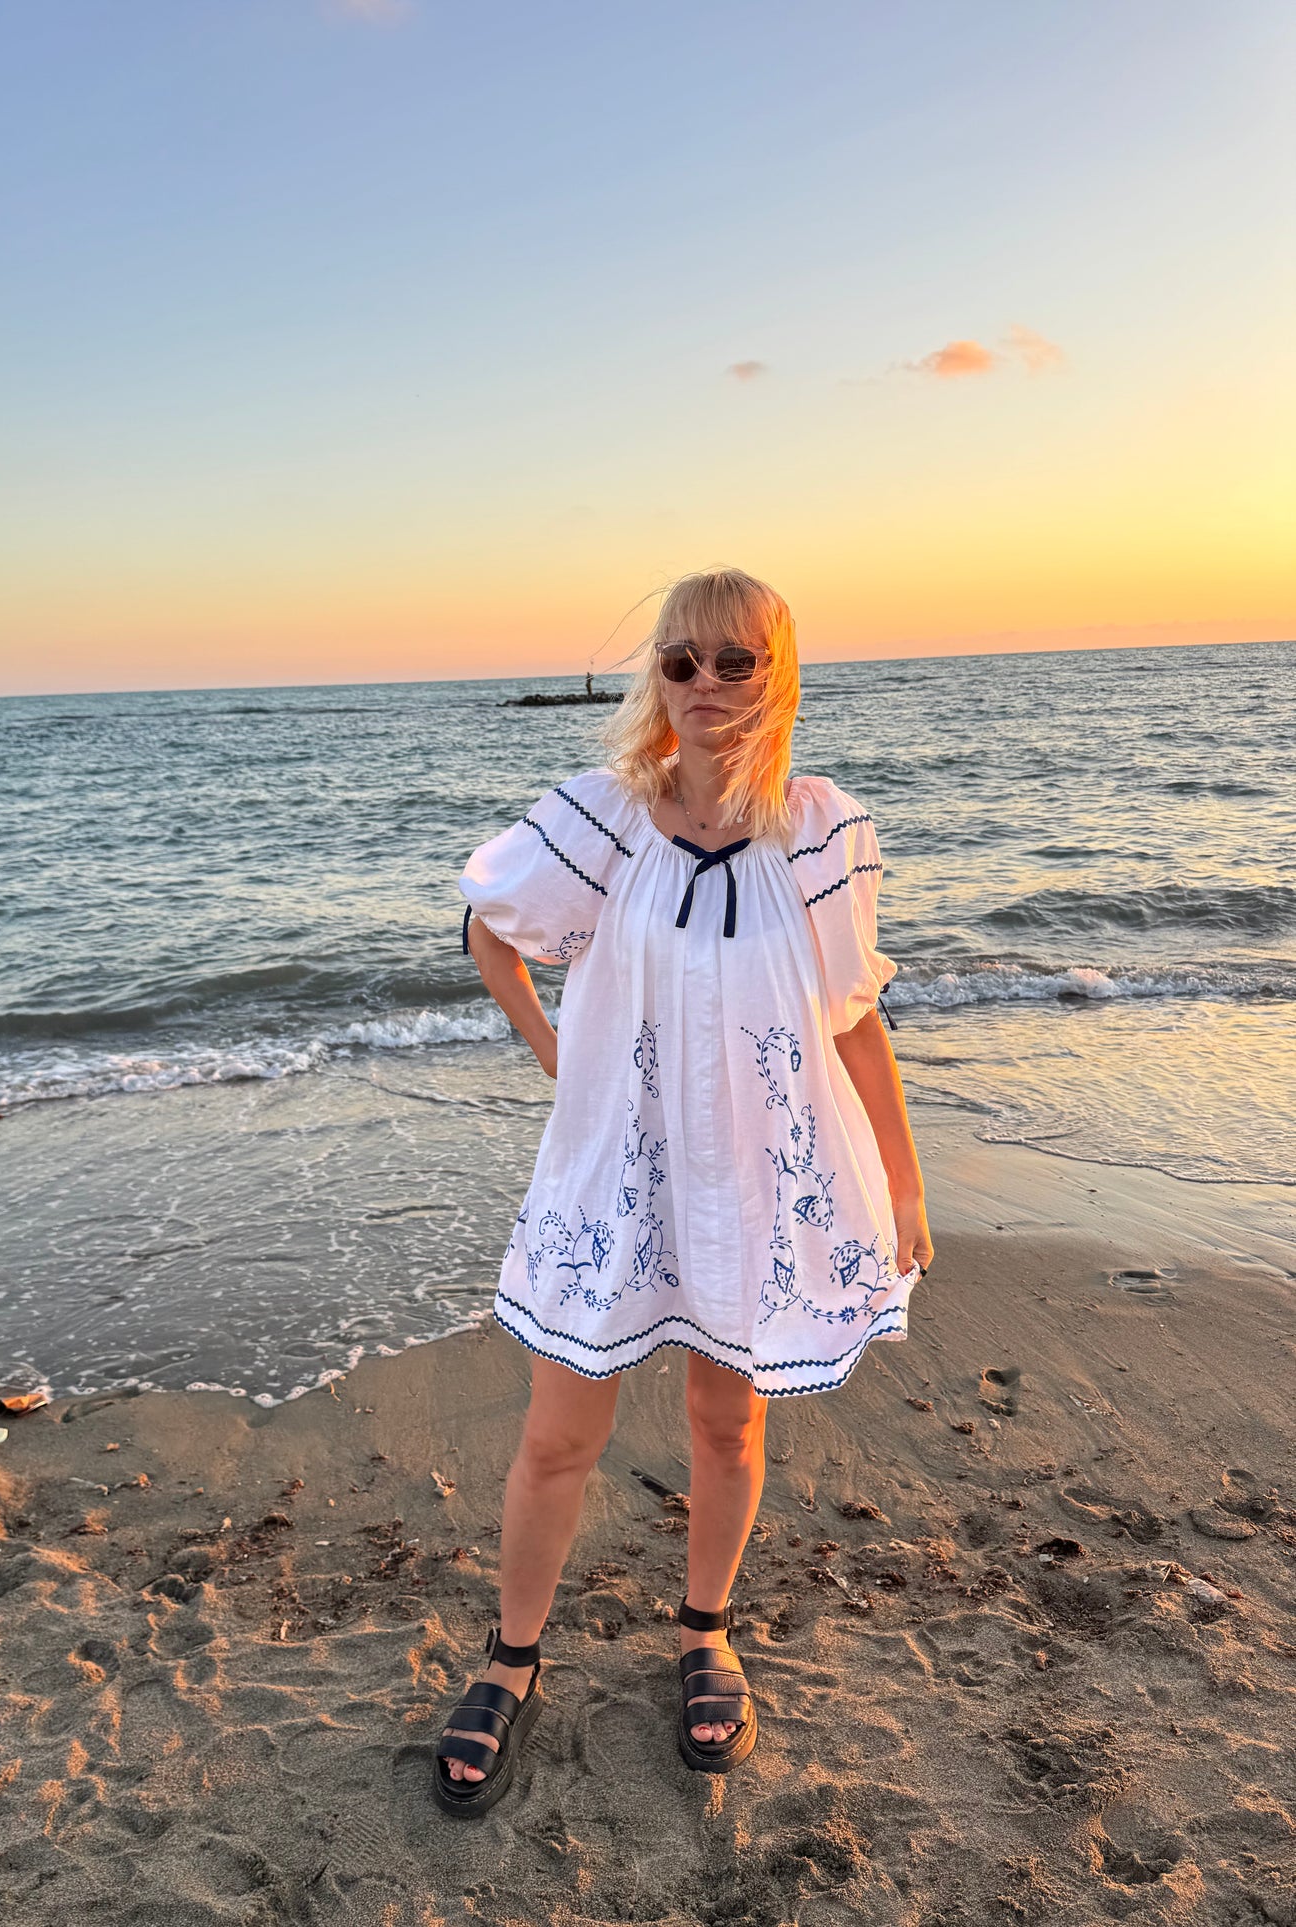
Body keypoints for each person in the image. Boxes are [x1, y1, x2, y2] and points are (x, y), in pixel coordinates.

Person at [434, 567, 933, 1816]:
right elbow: (489, 929)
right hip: (618, 1177)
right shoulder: (600, 818)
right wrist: (562, 1063)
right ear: (652, 675)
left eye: (733, 660)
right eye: (679, 661)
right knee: (560, 1433)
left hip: (756, 1177)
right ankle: (510, 1661)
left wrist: (904, 1181)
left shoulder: (818, 827)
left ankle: (704, 1633)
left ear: (776, 669)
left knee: (727, 1423)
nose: (704, 685)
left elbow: (855, 1015)